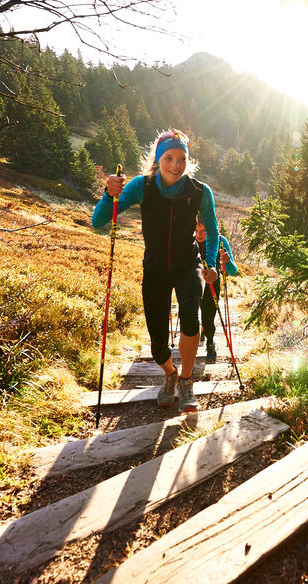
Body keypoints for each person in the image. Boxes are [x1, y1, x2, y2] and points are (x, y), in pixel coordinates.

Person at [91, 129, 220, 413]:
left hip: (189, 265)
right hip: (156, 269)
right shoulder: (141, 186)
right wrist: (108, 193)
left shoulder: (199, 191)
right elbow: (98, 220)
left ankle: (186, 380)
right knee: (158, 345)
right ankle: (170, 374)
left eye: (182, 158)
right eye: (169, 158)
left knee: (190, 318)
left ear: (189, 160)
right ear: (158, 159)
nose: (176, 165)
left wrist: (209, 265)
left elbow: (212, 231)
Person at [194, 215, 238, 362]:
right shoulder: (189, 239)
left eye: (203, 231)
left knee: (208, 314)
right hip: (191, 281)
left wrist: (227, 261)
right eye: (196, 230)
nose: (199, 235)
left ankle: (210, 340)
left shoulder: (220, 241)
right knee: (190, 314)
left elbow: (232, 271)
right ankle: (193, 342)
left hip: (212, 282)